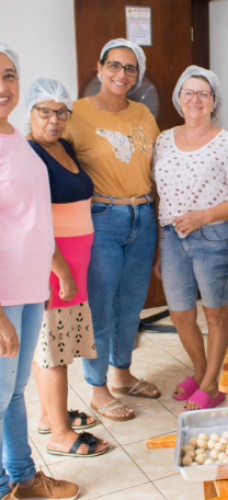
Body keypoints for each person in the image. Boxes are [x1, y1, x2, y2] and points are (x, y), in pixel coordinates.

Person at [64, 38, 160, 422]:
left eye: (130, 68)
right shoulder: (74, 113)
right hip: (102, 219)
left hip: (143, 216)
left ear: (137, 76)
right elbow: (53, 161)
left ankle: (122, 373)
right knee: (101, 307)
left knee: (131, 305)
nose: (122, 74)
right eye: (115, 66)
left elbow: (154, 169)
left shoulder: (144, 116)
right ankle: (97, 386)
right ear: (100, 68)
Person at [0, 44, 79, 500]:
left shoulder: (15, 139)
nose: (3, 86)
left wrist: (53, 271)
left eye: (9, 75)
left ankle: (24, 478)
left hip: (28, 287)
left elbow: (30, 217)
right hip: (4, 294)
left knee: (13, 393)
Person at [153, 66, 228, 411]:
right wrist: (158, 247)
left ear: (214, 101)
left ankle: (213, 384)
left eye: (203, 93)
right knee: (180, 313)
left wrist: (203, 216)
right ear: (179, 99)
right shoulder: (163, 139)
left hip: (210, 235)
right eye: (188, 92)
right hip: (171, 236)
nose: (195, 99)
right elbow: (159, 195)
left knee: (214, 314)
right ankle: (200, 371)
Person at [26, 78, 109, 458]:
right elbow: (35, 223)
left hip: (73, 262)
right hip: (54, 266)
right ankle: (60, 434)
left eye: (61, 112)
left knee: (57, 344)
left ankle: (49, 415)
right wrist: (61, 272)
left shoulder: (62, 147)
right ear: (29, 112)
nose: (54, 120)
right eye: (45, 111)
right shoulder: (30, 155)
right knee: (53, 350)